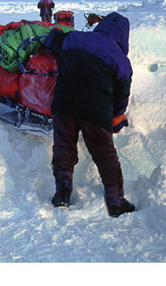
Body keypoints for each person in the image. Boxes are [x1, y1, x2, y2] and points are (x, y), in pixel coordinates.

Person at [43, 12, 135, 217]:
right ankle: (116, 200)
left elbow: (52, 40)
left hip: (64, 103)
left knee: (64, 147)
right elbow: (122, 95)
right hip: (95, 110)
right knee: (104, 153)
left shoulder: (75, 38)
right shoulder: (121, 60)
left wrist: (56, 33)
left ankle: (62, 192)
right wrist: (117, 115)